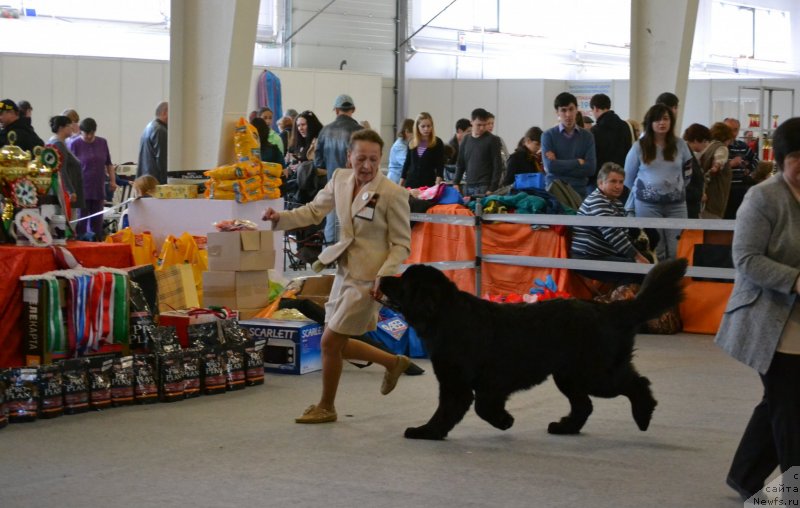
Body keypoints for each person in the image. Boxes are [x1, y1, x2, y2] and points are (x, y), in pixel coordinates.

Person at [261, 129, 412, 424]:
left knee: (329, 342)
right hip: (342, 271)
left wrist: (386, 277)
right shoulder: (340, 179)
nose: (367, 165)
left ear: (381, 159)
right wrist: (280, 219)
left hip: (370, 281)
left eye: (374, 159)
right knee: (336, 343)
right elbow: (314, 211)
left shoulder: (394, 194)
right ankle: (393, 362)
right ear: (349, 157)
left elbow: (402, 244)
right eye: (361, 158)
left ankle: (326, 406)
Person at [715, 117, 800, 501]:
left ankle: (745, 476)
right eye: (798, 157)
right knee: (791, 410)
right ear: (780, 160)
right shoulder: (763, 197)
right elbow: (746, 259)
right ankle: (792, 493)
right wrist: (796, 280)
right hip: (767, 317)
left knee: (780, 403)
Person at [624, 103, 693, 261]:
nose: (662, 123)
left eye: (665, 119)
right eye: (657, 120)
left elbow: (688, 173)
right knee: (656, 248)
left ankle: (675, 282)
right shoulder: (638, 147)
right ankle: (657, 283)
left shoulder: (681, 145)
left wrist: (677, 189)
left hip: (677, 206)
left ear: (671, 122)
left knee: (678, 249)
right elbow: (628, 178)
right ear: (650, 123)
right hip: (647, 205)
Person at [570, 162, 650, 284]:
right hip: (587, 258)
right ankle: (628, 301)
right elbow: (613, 234)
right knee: (638, 269)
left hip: (601, 254)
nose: (618, 186)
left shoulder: (615, 203)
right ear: (600, 183)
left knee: (645, 260)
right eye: (613, 181)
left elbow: (624, 233)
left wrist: (638, 254)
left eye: (621, 182)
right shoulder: (597, 201)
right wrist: (637, 256)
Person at [314, 94, 363, 243]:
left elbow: (318, 162)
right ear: (353, 109)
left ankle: (329, 257)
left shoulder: (325, 131)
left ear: (336, 111)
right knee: (355, 223)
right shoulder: (360, 131)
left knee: (332, 222)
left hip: (333, 183)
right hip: (356, 185)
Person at [541, 92, 597, 199]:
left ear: (576, 110)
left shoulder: (587, 136)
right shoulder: (548, 136)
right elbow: (550, 167)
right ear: (557, 112)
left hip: (579, 192)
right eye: (563, 110)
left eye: (571, 109)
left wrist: (558, 163)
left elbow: (591, 169)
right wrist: (577, 162)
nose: (568, 114)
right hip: (555, 192)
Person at [68, 117, 116, 241]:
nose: (89, 136)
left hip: (98, 188)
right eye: (86, 133)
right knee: (82, 223)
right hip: (81, 189)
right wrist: (71, 189)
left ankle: (97, 244)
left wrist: (112, 181)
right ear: (81, 132)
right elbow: (69, 168)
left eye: (92, 133)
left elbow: (109, 163)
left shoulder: (102, 142)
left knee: (97, 223)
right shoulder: (75, 144)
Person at [453, 108, 504, 196]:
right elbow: (460, 163)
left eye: (484, 125)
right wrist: (455, 182)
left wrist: (492, 188)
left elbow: (497, 166)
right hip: (468, 185)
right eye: (478, 125)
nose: (482, 128)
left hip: (485, 185)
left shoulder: (493, 140)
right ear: (471, 122)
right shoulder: (466, 139)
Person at [590, 93, 633, 190]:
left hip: (602, 179)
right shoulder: (625, 126)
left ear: (595, 108)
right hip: (620, 178)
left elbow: (593, 156)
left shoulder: (595, 130)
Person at [47, 115, 85, 221]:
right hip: (63, 192)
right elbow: (61, 170)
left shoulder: (58, 143)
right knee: (68, 222)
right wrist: (70, 190)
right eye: (68, 126)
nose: (71, 128)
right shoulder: (58, 145)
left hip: (63, 189)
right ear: (61, 128)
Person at [400, 112, 445, 189]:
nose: (426, 129)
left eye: (429, 126)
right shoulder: (412, 142)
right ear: (417, 127)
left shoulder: (437, 142)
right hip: (411, 183)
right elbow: (407, 164)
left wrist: (437, 185)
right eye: (423, 126)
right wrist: (400, 183)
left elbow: (440, 165)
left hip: (428, 183)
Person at [702, 122, 734, 219]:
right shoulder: (722, 147)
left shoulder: (707, 146)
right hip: (714, 197)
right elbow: (720, 159)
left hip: (704, 197)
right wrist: (717, 166)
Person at [681, 123, 711, 219]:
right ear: (696, 140)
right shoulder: (686, 156)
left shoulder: (689, 154)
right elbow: (684, 182)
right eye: (705, 141)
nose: (707, 145)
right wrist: (699, 195)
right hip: (687, 207)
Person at [137, 101, 169, 184]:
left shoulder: (149, 127)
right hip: (155, 183)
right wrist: (166, 182)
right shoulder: (160, 130)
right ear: (165, 113)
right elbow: (162, 159)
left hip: (145, 181)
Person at [387, 118, 413, 184]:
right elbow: (407, 163)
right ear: (407, 132)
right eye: (415, 133)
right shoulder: (399, 146)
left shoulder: (406, 144)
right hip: (395, 180)